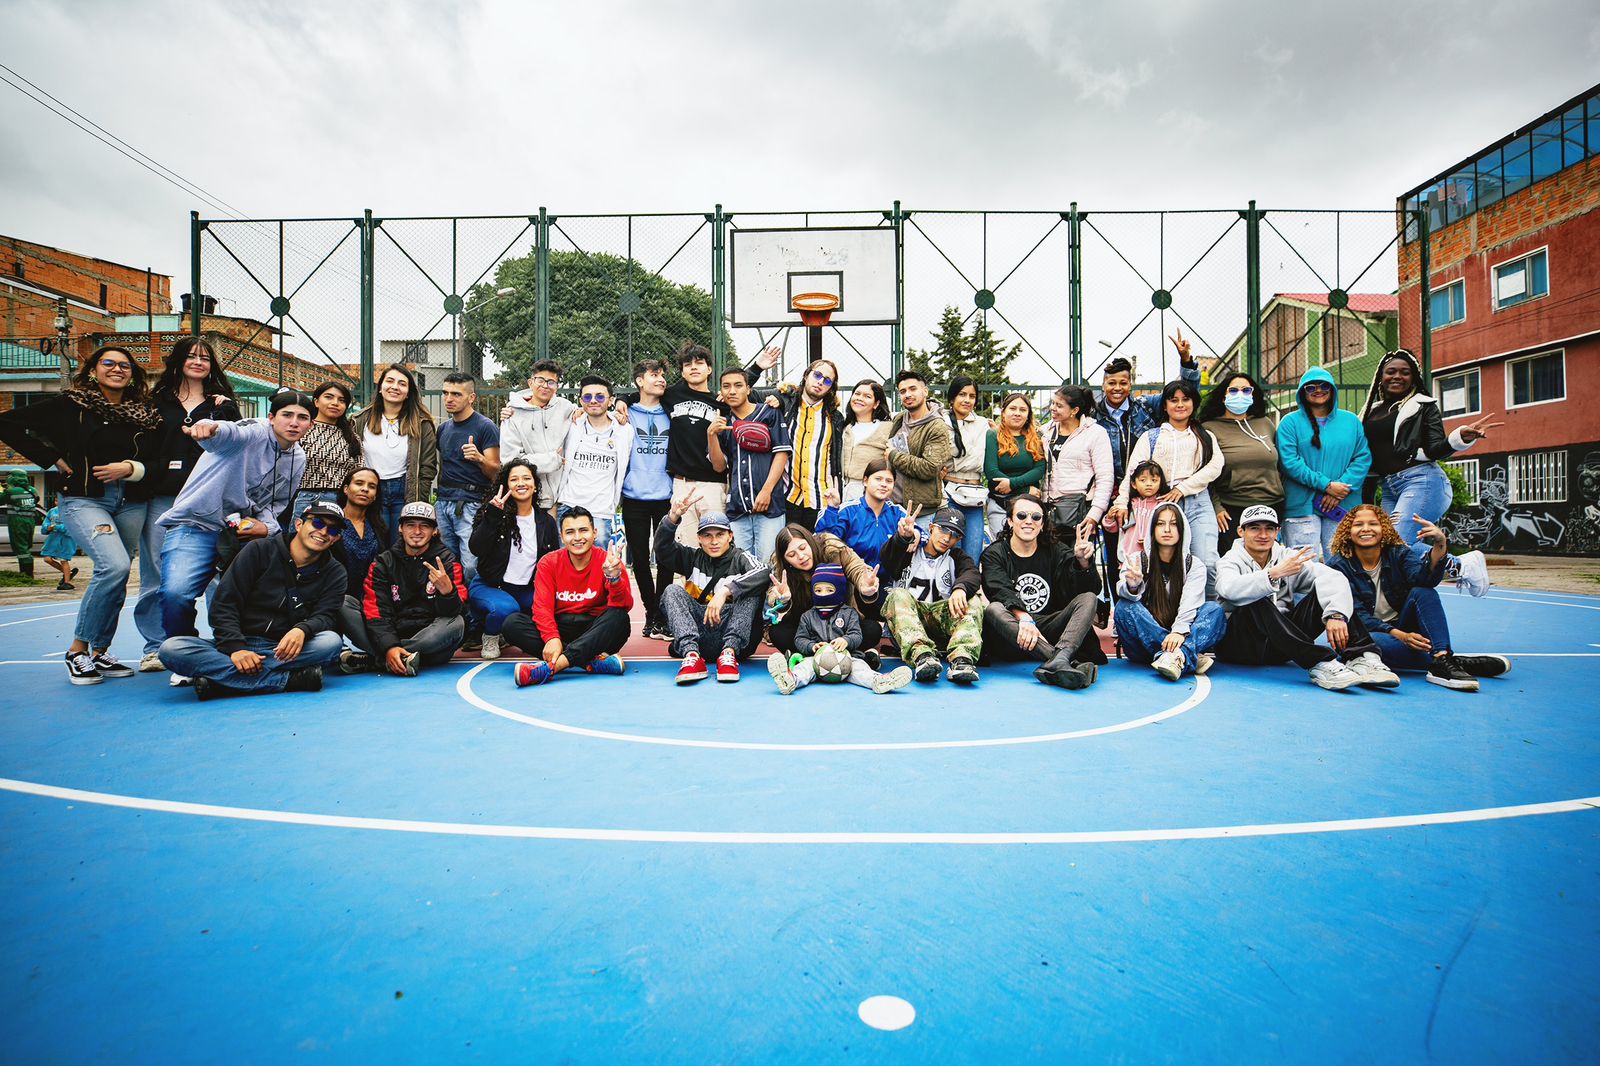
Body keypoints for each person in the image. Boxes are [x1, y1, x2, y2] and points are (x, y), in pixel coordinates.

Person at [0, 344, 162, 685]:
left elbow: (158, 456)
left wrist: (130, 467)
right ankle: (77, 651)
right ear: (93, 369)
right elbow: (8, 424)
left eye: (124, 365)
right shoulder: (70, 405)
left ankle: (100, 652)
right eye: (109, 363)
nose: (117, 369)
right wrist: (52, 458)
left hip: (132, 499)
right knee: (114, 565)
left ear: (132, 374)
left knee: (117, 576)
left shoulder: (145, 412)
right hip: (86, 498)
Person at [156, 390, 312, 648]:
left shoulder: (299, 458)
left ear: (311, 424)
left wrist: (267, 526)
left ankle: (233, 649)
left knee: (236, 598)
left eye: (302, 417)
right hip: (196, 524)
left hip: (239, 532)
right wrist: (210, 427)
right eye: (286, 415)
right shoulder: (255, 430)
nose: (294, 422)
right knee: (175, 593)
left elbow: (277, 504)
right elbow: (230, 432)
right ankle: (184, 649)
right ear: (271, 417)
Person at [158, 501, 347, 701]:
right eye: (317, 523)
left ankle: (221, 683)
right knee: (171, 649)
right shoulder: (259, 550)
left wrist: (302, 629)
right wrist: (236, 648)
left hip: (283, 649)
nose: (324, 531)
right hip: (236, 643)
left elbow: (326, 615)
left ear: (336, 538)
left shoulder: (335, 572)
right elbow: (225, 603)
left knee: (331, 643)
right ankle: (287, 681)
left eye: (332, 529)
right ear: (299, 524)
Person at [135, 338, 242, 671]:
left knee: (214, 574)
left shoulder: (222, 403)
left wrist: (223, 413)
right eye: (192, 356)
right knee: (158, 576)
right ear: (178, 360)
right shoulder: (156, 402)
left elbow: (234, 446)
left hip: (210, 498)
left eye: (205, 358)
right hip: (165, 496)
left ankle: (220, 641)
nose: (198, 361)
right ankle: (157, 646)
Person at [1360, 348, 1501, 595]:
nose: (1397, 376)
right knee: (1382, 546)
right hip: (1391, 487)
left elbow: (1435, 447)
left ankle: (1460, 565)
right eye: (1390, 371)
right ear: (1380, 376)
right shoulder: (1371, 411)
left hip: (1422, 481)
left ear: (1414, 378)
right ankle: (1460, 565)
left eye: (1405, 372)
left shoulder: (1423, 406)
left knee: (1395, 544)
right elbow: (1366, 459)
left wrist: (1459, 437)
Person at [1213, 505, 1401, 690]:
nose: (1263, 535)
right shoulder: (1229, 560)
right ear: (1241, 531)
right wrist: (1272, 574)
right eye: (1254, 528)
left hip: (1282, 646)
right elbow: (1228, 588)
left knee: (1331, 592)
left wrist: (1336, 615)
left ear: (1277, 531)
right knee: (1254, 600)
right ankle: (1320, 662)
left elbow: (1332, 577)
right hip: (1240, 647)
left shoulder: (1289, 558)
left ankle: (1362, 657)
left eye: (1269, 528)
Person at [1327, 504, 1511, 691]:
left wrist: (1440, 544)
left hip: (1405, 629)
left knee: (1423, 592)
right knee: (1371, 643)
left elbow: (1425, 580)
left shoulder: (1398, 553)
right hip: (1369, 634)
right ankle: (1449, 661)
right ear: (1348, 531)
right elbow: (1356, 613)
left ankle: (1441, 659)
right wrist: (1401, 636)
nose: (1366, 529)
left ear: (1384, 528)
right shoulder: (1338, 565)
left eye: (1373, 523)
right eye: (1358, 524)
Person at [1092, 334, 1201, 583]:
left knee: (1154, 552)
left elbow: (1183, 394)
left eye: (1123, 382)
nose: (1117, 388)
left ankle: (1157, 604)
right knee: (1116, 555)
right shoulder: (1093, 414)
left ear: (1130, 384)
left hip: (1150, 493)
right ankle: (1120, 609)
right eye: (1111, 383)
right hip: (1114, 495)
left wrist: (1186, 362)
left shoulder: (1146, 407)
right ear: (1103, 385)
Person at [1110, 379, 1223, 598]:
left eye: (1186, 399)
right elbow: (1133, 472)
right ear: (1165, 405)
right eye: (1174, 400)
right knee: (1167, 565)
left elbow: (1215, 466)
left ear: (1193, 403)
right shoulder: (1151, 437)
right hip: (1161, 504)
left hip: (1198, 501)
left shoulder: (1205, 436)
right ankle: (1168, 614)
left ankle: (1211, 613)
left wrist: (1184, 488)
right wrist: (1121, 502)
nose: (1180, 405)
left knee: (1208, 562)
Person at [981, 494, 1105, 690]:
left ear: (1042, 523)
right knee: (994, 609)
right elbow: (999, 590)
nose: (1029, 521)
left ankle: (1062, 655)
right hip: (1013, 632)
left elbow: (1089, 589)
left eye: (1036, 517)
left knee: (1088, 599)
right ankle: (1061, 661)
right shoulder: (994, 554)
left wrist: (1082, 563)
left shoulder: (1056, 550)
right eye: (1021, 515)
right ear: (1010, 521)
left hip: (1049, 627)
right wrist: (1024, 618)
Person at [503, 507, 631, 685]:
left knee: (619, 618)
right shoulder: (548, 563)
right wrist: (552, 638)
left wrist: (614, 578)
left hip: (594, 630)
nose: (577, 537)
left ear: (594, 533)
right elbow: (542, 608)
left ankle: (552, 667)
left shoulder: (609, 561)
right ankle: (590, 662)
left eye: (583, 530)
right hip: (560, 628)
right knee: (512, 624)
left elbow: (624, 604)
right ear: (562, 536)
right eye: (570, 532)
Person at [654, 493, 769, 684]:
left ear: (730, 536)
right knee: (672, 591)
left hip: (735, 639)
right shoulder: (691, 558)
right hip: (698, 635)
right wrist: (672, 518)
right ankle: (691, 656)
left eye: (720, 535)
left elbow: (763, 571)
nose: (714, 541)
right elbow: (662, 549)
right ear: (699, 538)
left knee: (751, 592)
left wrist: (726, 591)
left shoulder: (741, 558)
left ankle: (728, 654)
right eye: (707, 536)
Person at [342, 502, 466, 676]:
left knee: (457, 623)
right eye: (410, 525)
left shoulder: (447, 562)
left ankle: (381, 659)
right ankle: (398, 658)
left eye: (424, 526)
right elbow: (376, 611)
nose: (417, 532)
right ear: (400, 528)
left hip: (430, 644)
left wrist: (448, 592)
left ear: (435, 531)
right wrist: (390, 645)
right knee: (344, 604)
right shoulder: (383, 563)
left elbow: (454, 611)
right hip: (390, 633)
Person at [1114, 501, 1227, 680]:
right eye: (1160, 523)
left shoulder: (1193, 565)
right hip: (1143, 647)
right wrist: (1133, 586)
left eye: (1173, 524)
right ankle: (1184, 655)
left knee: (1215, 610)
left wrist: (1178, 632)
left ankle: (1178, 656)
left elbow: (1190, 603)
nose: (1167, 529)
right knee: (1124, 607)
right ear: (1152, 529)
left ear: (1183, 529)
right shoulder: (1137, 560)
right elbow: (1123, 592)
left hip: (1179, 636)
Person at [765, 565, 913, 695]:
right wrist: (811, 646)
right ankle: (790, 680)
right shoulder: (807, 616)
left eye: (829, 590)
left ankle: (879, 681)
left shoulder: (849, 613)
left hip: (847, 659)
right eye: (818, 590)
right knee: (805, 668)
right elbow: (799, 639)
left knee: (860, 669)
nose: (823, 594)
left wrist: (846, 640)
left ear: (839, 590)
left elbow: (857, 635)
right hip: (816, 659)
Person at [880, 505, 985, 684]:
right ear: (930, 528)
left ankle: (962, 660)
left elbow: (972, 573)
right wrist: (903, 538)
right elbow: (888, 558)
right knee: (897, 594)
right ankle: (923, 657)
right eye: (943, 529)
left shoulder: (957, 556)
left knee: (973, 600)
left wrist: (960, 588)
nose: (947, 538)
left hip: (942, 623)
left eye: (954, 535)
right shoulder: (910, 550)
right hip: (909, 626)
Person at [467, 460, 558, 661]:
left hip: (527, 589)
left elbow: (554, 561)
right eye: (514, 479)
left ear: (535, 485)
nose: (521, 483)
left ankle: (515, 634)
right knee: (507, 610)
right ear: (506, 485)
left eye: (526, 478)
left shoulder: (546, 522)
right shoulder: (492, 512)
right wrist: (492, 516)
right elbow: (476, 548)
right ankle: (491, 635)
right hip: (491, 586)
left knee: (555, 606)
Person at [1276, 367, 1369, 558]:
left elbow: (1362, 457)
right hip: (1302, 506)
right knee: (1302, 565)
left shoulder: (1351, 421)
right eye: (1311, 387)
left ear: (1332, 389)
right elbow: (1290, 462)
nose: (1318, 390)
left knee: (1341, 563)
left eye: (1324, 385)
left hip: (1342, 503)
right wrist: (1326, 485)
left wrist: (1340, 490)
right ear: (1303, 392)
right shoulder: (1289, 422)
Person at [708, 365, 791, 563]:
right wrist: (711, 435)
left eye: (738, 385)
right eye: (726, 386)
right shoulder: (724, 422)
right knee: (739, 568)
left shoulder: (769, 413)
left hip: (770, 506)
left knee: (769, 565)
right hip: (738, 508)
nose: (732, 391)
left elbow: (781, 454)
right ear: (721, 391)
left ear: (748, 389)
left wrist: (767, 491)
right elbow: (719, 467)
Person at [619, 358, 675, 641]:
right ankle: (651, 613)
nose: (661, 379)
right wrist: (620, 401)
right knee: (640, 559)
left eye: (663, 375)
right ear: (640, 381)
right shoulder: (625, 413)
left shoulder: (672, 411)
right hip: (634, 497)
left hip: (666, 496)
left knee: (665, 558)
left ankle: (663, 614)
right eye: (655, 375)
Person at [766, 524, 884, 658]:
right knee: (778, 633)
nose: (800, 556)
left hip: (842, 627)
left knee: (872, 630)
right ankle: (847, 655)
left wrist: (864, 583)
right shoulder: (783, 570)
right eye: (791, 555)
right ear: (786, 560)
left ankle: (840, 653)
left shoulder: (832, 548)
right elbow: (773, 594)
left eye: (803, 548)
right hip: (809, 632)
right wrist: (782, 600)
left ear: (810, 541)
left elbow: (856, 567)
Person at [1199, 370, 1282, 556]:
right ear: (1223, 397)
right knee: (1236, 564)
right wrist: (1216, 506)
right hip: (1231, 510)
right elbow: (1204, 474)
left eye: (1246, 390)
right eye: (1234, 390)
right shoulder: (1210, 428)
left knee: (1269, 563)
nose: (1240, 395)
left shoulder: (1265, 423)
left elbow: (1280, 466)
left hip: (1271, 505)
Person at [434, 372, 501, 584]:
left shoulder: (485, 426)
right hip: (443, 501)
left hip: (471, 502)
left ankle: (474, 612)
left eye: (456, 394)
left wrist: (479, 458)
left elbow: (496, 473)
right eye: (445, 393)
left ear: (471, 398)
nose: (449, 399)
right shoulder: (443, 428)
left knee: (471, 564)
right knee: (446, 561)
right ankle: (454, 607)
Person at [359, 363, 438, 540]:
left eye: (402, 383)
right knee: (373, 543)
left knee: (400, 544)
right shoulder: (360, 419)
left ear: (408, 392)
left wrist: (419, 496)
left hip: (404, 490)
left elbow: (427, 466)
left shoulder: (422, 424)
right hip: (371, 490)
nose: (395, 387)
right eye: (390, 381)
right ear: (380, 388)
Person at [768, 357, 842, 534]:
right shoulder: (786, 403)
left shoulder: (835, 417)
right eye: (817, 375)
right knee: (788, 552)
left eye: (827, 380)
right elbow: (744, 392)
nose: (820, 382)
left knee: (818, 555)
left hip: (821, 498)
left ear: (831, 387)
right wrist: (758, 367)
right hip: (788, 496)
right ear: (806, 375)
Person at [556, 376, 632, 545]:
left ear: (611, 400)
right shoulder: (571, 425)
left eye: (599, 396)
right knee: (566, 564)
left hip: (601, 510)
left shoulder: (624, 430)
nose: (593, 401)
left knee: (598, 566)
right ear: (581, 401)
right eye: (587, 397)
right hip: (569, 505)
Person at [1041, 383, 1113, 545]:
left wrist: (1095, 514)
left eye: (1059, 405)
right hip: (1050, 507)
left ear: (1075, 411)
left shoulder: (1095, 433)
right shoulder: (1046, 431)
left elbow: (1105, 477)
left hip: (1080, 509)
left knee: (1079, 563)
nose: (1053, 408)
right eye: (1053, 403)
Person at [499, 360, 576, 513]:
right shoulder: (512, 414)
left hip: (565, 498)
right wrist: (552, 460)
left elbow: (593, 413)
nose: (545, 386)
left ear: (557, 386)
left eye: (551, 382)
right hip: (530, 499)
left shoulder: (565, 407)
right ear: (531, 382)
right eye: (540, 380)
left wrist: (620, 406)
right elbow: (510, 461)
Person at [885, 369, 955, 528]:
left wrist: (894, 456)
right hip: (894, 506)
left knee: (920, 552)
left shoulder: (936, 426)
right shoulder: (899, 419)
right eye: (902, 391)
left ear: (925, 391)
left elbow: (929, 468)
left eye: (912, 389)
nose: (907, 394)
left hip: (921, 511)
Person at [815, 458, 905, 573]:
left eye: (889, 481)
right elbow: (823, 540)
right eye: (878, 479)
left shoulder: (897, 512)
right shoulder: (848, 510)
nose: (883, 484)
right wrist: (832, 509)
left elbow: (920, 534)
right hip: (852, 580)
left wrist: (915, 534)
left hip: (887, 583)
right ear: (865, 481)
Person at [289, 379, 362, 519]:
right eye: (329, 397)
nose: (335, 403)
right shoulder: (302, 430)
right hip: (305, 498)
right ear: (316, 401)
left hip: (341, 502)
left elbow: (359, 470)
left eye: (341, 400)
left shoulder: (352, 437)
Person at [984, 391, 1047, 536]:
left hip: (1029, 505)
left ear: (1028, 415)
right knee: (1002, 548)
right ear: (1003, 412)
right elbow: (991, 472)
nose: (1017, 413)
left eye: (1023, 410)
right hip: (1001, 504)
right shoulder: (992, 435)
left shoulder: (1035, 437)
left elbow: (1039, 469)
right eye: (1013, 408)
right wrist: (1024, 490)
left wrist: (1012, 484)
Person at [942, 376, 990, 559]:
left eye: (972, 396)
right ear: (952, 398)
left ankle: (968, 588)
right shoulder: (942, 423)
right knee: (951, 552)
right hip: (949, 494)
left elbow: (982, 460)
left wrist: (955, 463)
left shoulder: (983, 423)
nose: (967, 400)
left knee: (973, 553)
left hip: (975, 496)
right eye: (962, 394)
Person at [333, 467, 387, 606]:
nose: (365, 489)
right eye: (359, 483)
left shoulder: (379, 527)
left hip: (372, 601)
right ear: (346, 489)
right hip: (337, 599)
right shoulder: (330, 523)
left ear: (375, 496)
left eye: (372, 486)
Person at [839, 379, 892, 504]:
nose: (860, 398)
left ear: (876, 404)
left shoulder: (887, 428)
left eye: (867, 396)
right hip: (843, 490)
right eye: (857, 394)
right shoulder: (844, 427)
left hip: (872, 492)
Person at [1118, 461, 1169, 563]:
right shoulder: (1129, 505)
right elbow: (1116, 528)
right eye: (1143, 480)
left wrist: (1151, 539)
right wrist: (1109, 520)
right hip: (1129, 558)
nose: (1149, 484)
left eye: (1154, 480)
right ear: (1133, 484)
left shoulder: (1162, 506)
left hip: (1155, 558)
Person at [4, 470, 38, 579]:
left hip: (18, 522)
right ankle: (28, 573)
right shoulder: (33, 490)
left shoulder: (12, 492)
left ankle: (26, 575)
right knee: (26, 547)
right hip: (30, 522)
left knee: (20, 548)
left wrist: (5, 490)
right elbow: (36, 500)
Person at [40, 500, 78, 590]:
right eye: (57, 500)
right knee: (47, 559)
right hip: (53, 539)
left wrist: (57, 527)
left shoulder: (71, 511)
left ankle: (67, 582)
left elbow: (72, 527)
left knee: (63, 560)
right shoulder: (52, 511)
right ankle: (68, 573)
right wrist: (47, 527)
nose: (59, 502)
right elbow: (46, 523)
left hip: (66, 540)